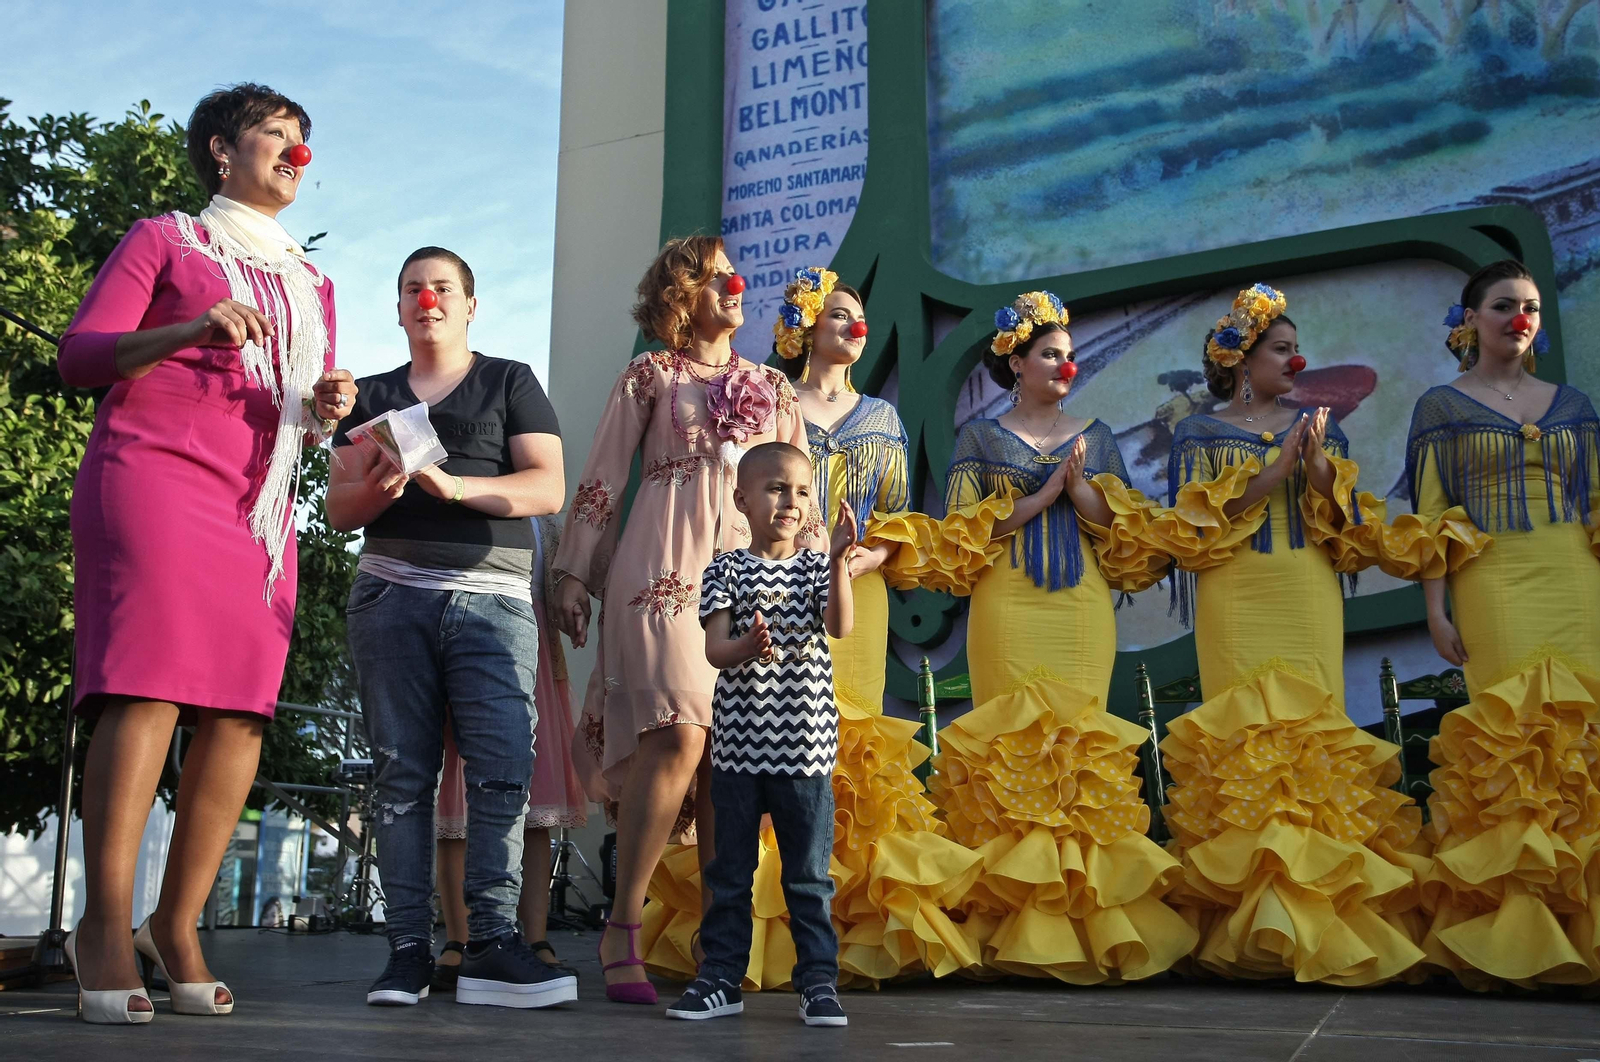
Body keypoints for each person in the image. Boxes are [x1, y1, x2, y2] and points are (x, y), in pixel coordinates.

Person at [56, 83, 354, 1024]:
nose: (296, 154)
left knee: (240, 713)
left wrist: (328, 408)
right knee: (147, 685)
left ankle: (173, 922)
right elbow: (81, 356)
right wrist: (192, 326)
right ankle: (101, 927)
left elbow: (302, 415)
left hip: (255, 504)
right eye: (278, 136)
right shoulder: (166, 239)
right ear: (223, 150)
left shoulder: (315, 284)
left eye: (305, 142)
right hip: (153, 473)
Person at [637, 268, 982, 987]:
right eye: (839, 314)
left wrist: (848, 565)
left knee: (839, 756)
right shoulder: (767, 395)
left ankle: (845, 943)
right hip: (767, 581)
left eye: (860, 317)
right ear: (805, 325)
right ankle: (750, 952)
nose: (854, 327)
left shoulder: (884, 418)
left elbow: (896, 515)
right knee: (759, 762)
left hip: (848, 590)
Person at [1155, 283, 1448, 985]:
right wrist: (1276, 470)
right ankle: (1252, 925)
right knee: (1244, 737)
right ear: (1242, 360)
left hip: (1306, 589)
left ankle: (1323, 915)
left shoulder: (1322, 426)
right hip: (1235, 593)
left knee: (1313, 740)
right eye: (1281, 349)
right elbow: (1191, 527)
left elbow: (1346, 524)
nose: (1296, 359)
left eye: (1294, 348)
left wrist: (1317, 466)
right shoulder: (1199, 431)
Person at [550, 236, 808, 1004]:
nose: (735, 284)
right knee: (680, 731)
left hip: (747, 573)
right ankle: (621, 925)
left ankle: (719, 949)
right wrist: (572, 570)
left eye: (736, 275)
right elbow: (601, 476)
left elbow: (802, 493)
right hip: (658, 569)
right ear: (682, 292)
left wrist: (810, 576)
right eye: (715, 274)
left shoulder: (773, 386)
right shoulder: (650, 375)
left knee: (729, 758)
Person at [326, 247, 570, 1009]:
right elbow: (339, 511)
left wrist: (453, 484)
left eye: (443, 288)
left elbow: (546, 487)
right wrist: (382, 483)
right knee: (402, 777)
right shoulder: (367, 395)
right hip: (391, 596)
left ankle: (494, 945)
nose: (427, 298)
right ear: (399, 309)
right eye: (412, 289)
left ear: (471, 304)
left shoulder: (510, 380)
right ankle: (405, 951)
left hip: (492, 601)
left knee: (504, 771)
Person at [930, 291, 1194, 983]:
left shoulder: (1096, 434)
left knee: (1078, 749)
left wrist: (1079, 495)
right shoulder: (981, 438)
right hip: (1007, 605)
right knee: (1010, 747)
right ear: (1015, 361)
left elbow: (1125, 527)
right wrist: (1044, 496)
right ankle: (1007, 920)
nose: (1064, 365)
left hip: (1080, 605)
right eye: (1050, 353)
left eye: (1070, 356)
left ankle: (1082, 923)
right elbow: (964, 530)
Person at [1406, 259, 1600, 988]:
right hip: (1494, 582)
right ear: (1471, 319)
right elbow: (1431, 517)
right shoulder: (1441, 406)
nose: (1520, 317)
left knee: (1582, 737)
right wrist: (1434, 605)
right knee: (1513, 738)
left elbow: (1596, 502)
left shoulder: (1573, 403)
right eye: (1504, 305)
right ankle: (1521, 930)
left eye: (1531, 306)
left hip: (1574, 574)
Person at [664, 442, 856, 1026]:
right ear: (742, 499)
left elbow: (840, 626)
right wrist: (744, 647)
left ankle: (818, 982)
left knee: (807, 874)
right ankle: (720, 977)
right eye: (775, 489)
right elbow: (716, 649)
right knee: (729, 871)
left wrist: (840, 562)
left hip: (804, 749)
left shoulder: (813, 567)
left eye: (801, 491)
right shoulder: (725, 569)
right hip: (739, 750)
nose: (790, 502)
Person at [432, 514, 589, 991]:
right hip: (466, 646)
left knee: (534, 806)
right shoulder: (463, 488)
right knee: (460, 804)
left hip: (532, 656)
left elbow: (561, 578)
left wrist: (572, 601)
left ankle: (535, 935)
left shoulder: (545, 521)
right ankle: (459, 937)